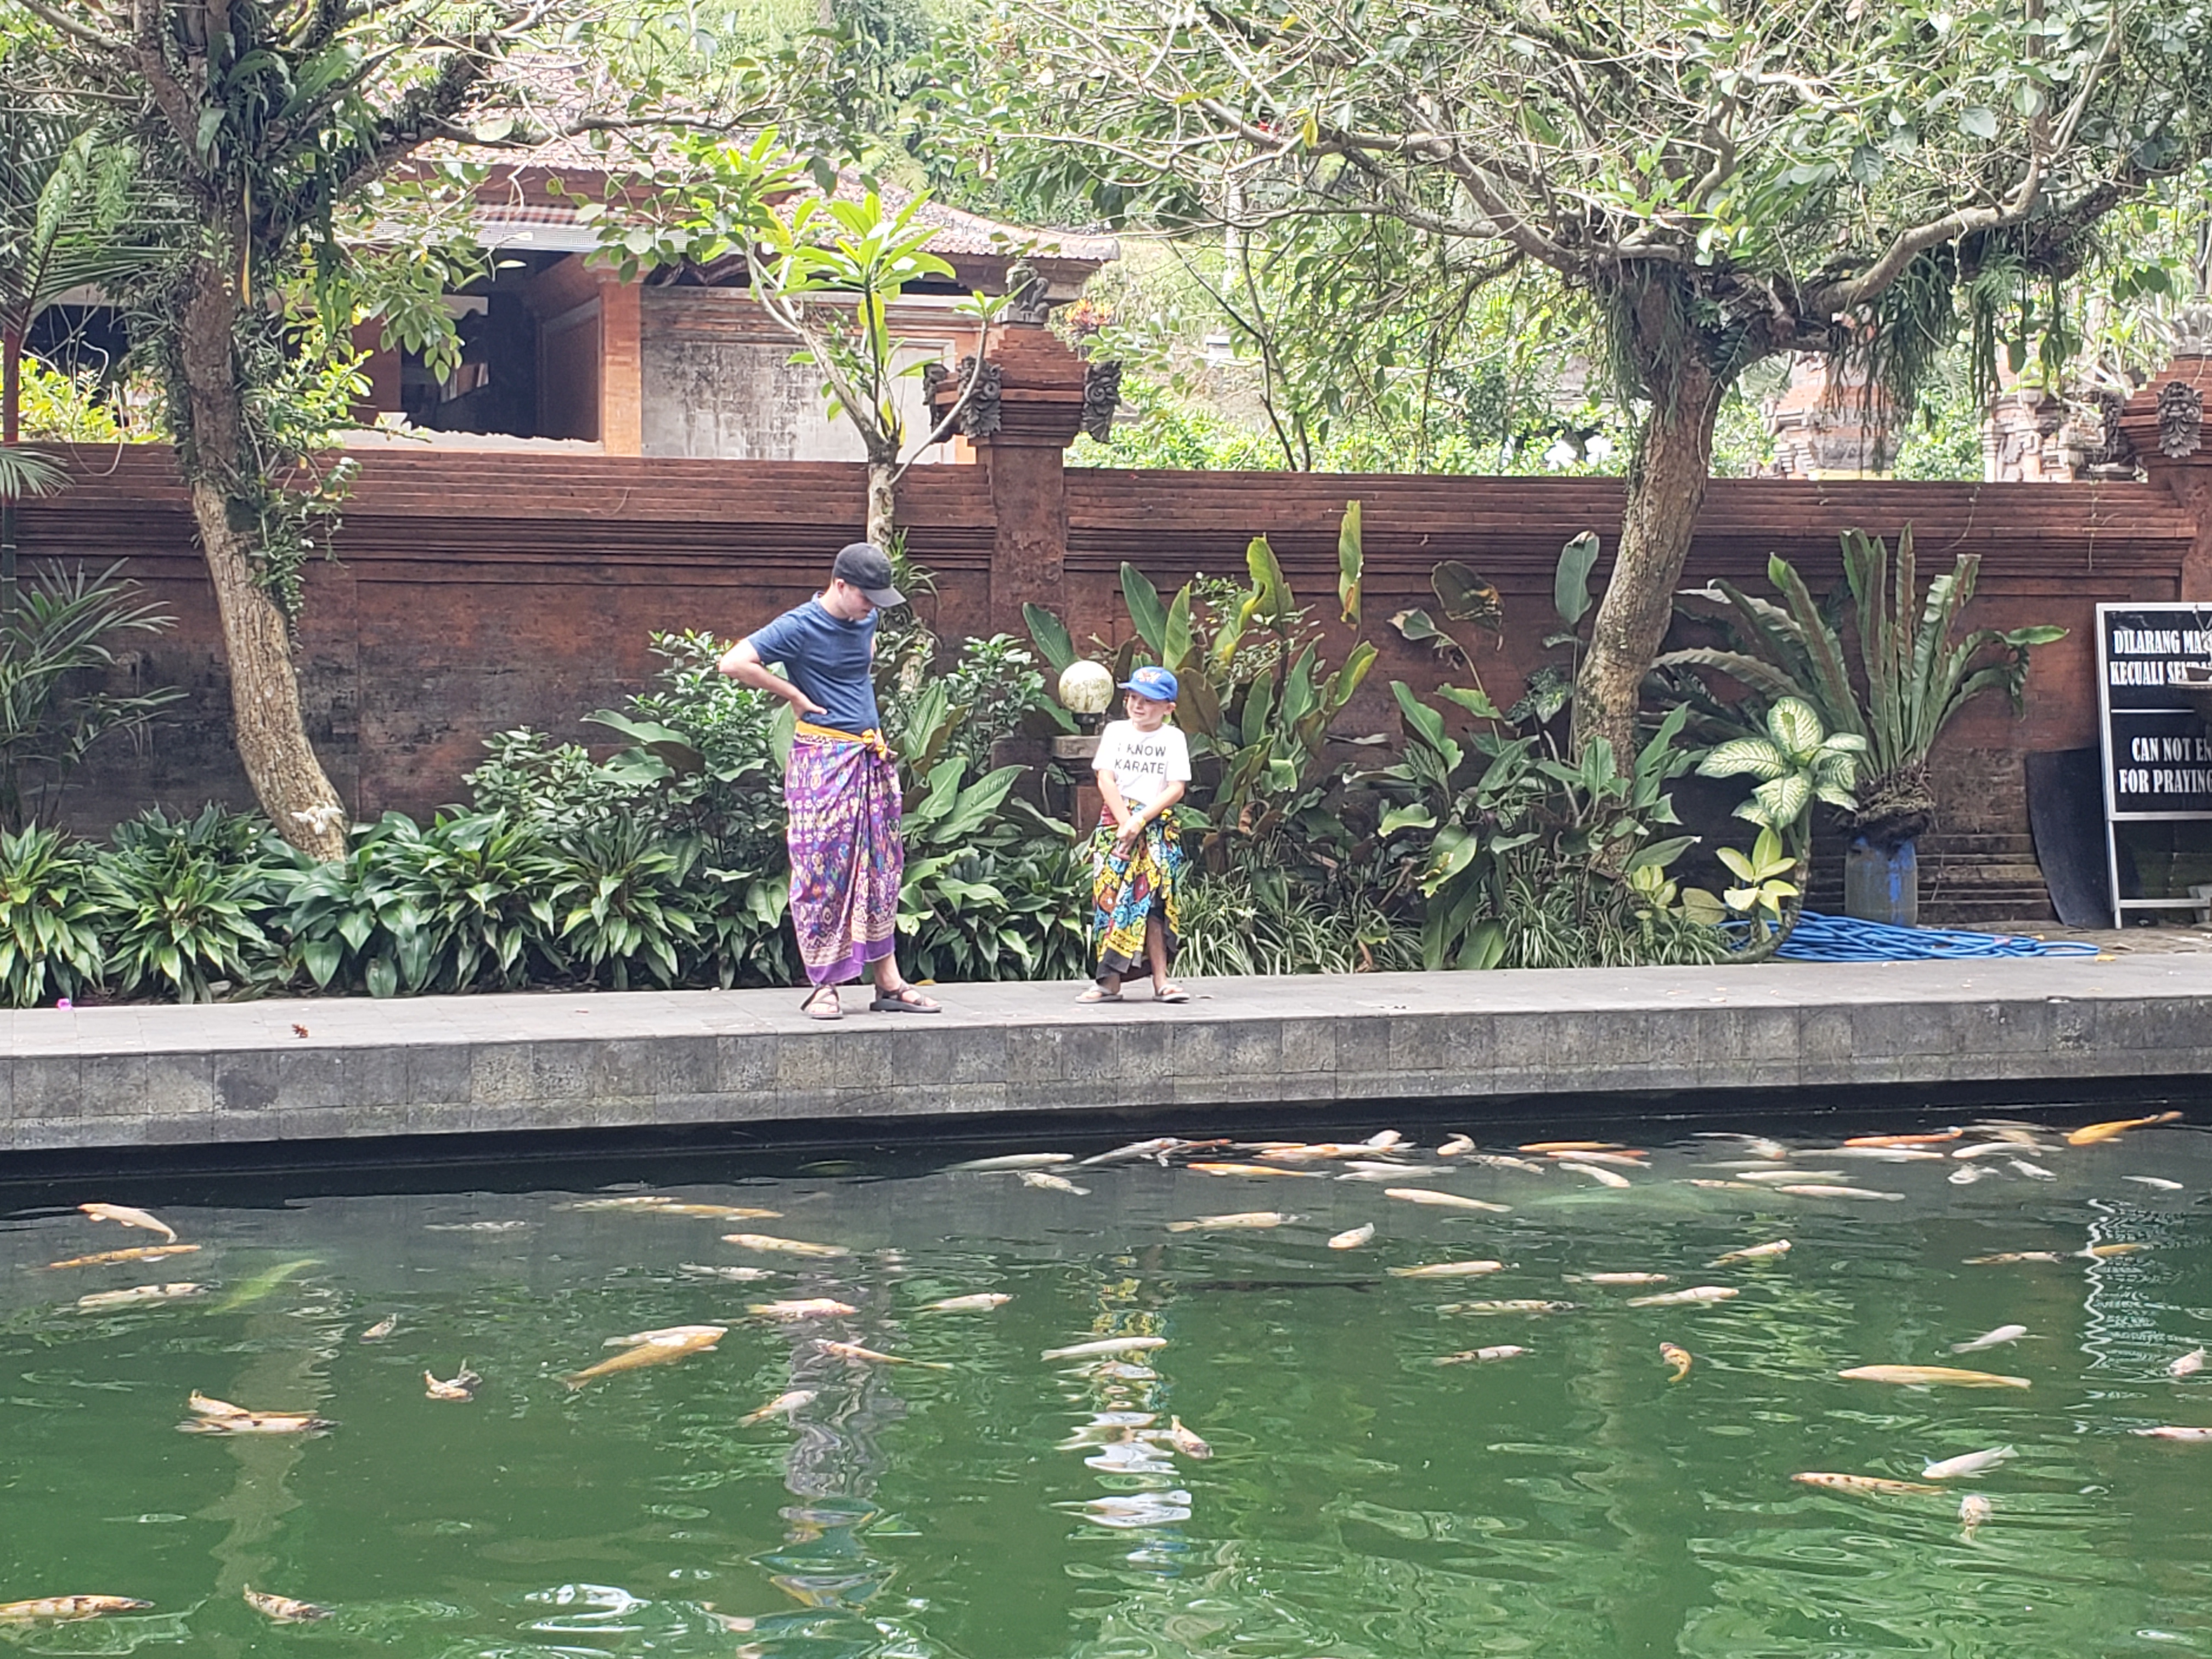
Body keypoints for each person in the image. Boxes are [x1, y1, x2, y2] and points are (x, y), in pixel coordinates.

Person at [718, 543, 941, 1019]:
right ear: (839, 584)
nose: (873, 607)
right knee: (822, 870)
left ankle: (888, 982)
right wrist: (794, 692)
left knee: (879, 869)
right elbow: (734, 662)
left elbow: (860, 664)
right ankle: (825, 986)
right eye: (866, 596)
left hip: (869, 756)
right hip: (822, 761)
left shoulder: (868, 619)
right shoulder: (799, 626)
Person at [1081, 664, 1191, 1003]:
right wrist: (1125, 821)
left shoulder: (1173, 738)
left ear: (1168, 708)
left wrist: (1139, 821)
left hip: (1154, 826)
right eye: (1132, 698)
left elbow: (1176, 788)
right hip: (1114, 825)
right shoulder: (1115, 732)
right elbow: (1105, 778)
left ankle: (1162, 981)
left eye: (1148, 700)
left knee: (1153, 903)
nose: (1137, 706)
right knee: (1110, 900)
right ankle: (1109, 982)